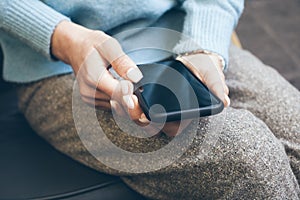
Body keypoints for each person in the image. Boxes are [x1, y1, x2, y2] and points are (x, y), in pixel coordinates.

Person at [1, 0, 299, 199]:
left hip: (182, 30)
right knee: (249, 160)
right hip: (59, 61)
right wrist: (64, 39)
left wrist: (204, 46)